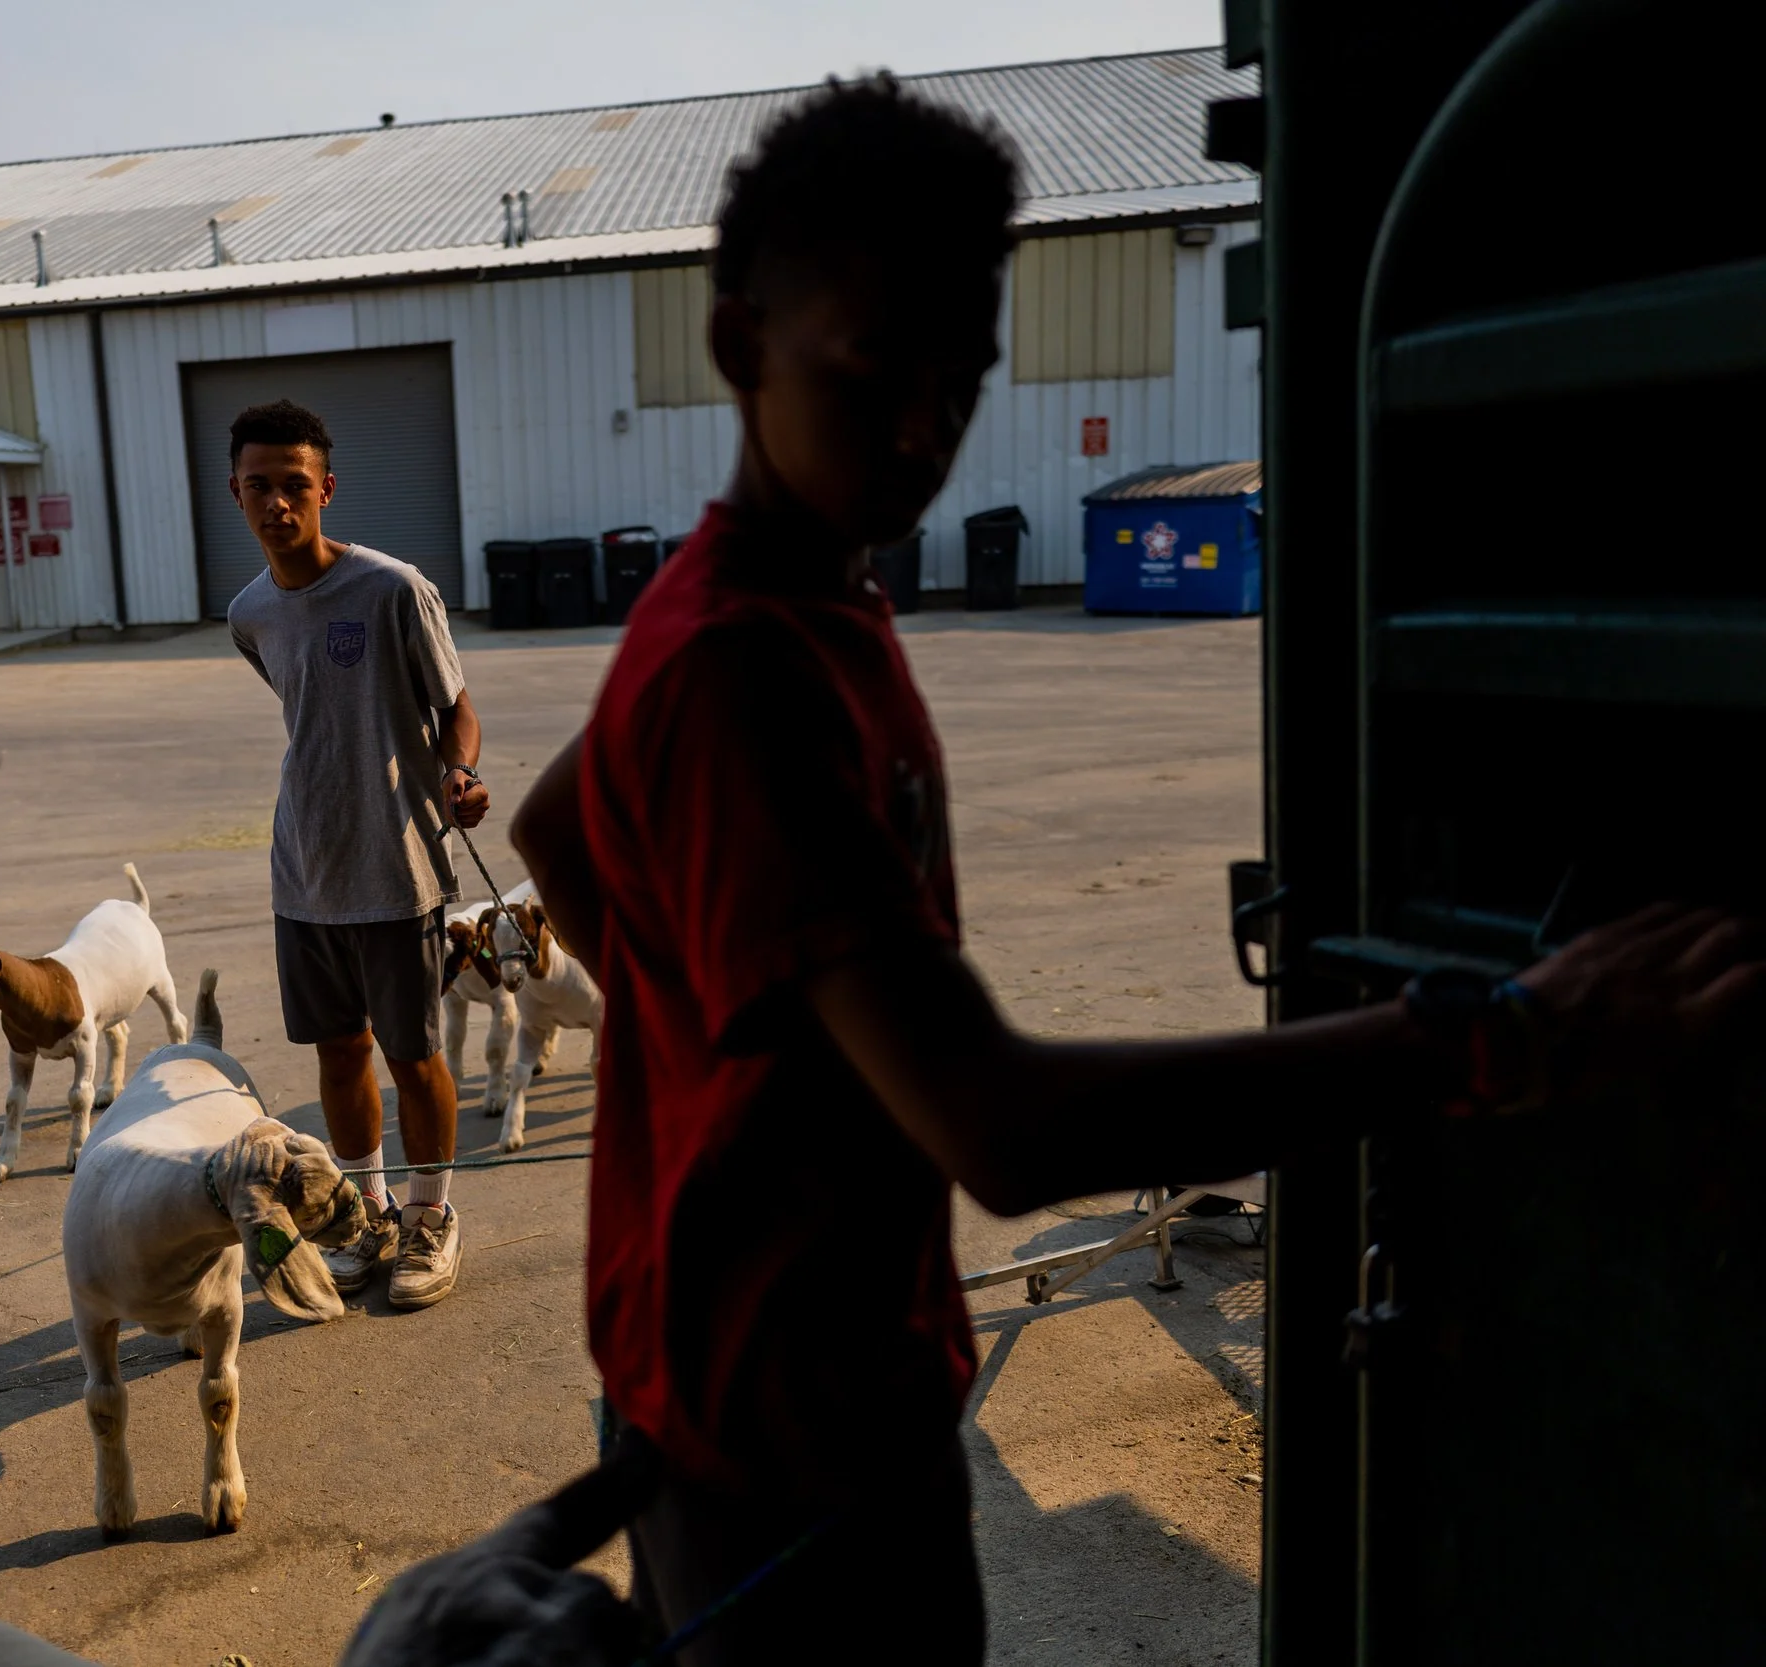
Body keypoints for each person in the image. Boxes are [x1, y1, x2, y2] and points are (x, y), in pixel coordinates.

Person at [507, 75, 1766, 1662]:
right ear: (738, 343)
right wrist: (1500, 1031)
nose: (921, 429)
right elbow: (1003, 1127)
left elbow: (563, 825)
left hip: (736, 1394)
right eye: (871, 366)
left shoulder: (788, 596)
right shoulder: (736, 670)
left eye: (959, 380)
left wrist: (725, 1066)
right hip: (790, 1447)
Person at [224, 399, 490, 1310]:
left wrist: (459, 773)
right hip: (304, 870)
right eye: (258, 486)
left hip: (397, 866)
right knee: (339, 1054)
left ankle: (429, 1217)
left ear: (326, 489)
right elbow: (306, 715)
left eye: (294, 485)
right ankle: (369, 1213)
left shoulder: (391, 589)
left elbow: (456, 707)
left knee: (414, 1057)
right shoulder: (250, 612)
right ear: (236, 493)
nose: (277, 504)